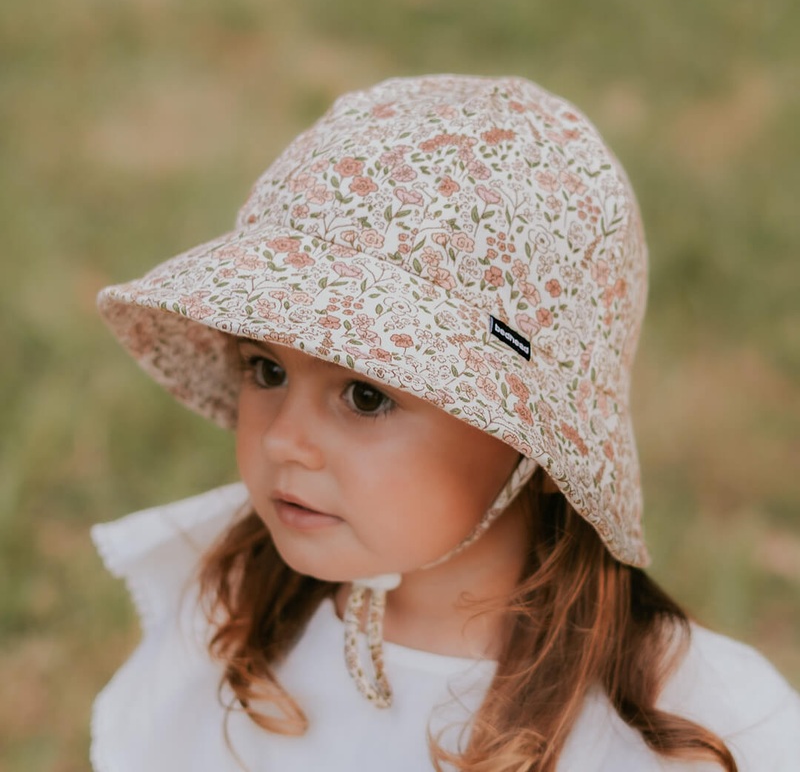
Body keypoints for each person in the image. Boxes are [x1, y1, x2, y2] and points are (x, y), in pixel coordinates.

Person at [91, 75, 800, 771]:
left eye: (365, 396)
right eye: (266, 370)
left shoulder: (689, 725)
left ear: (538, 448)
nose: (282, 440)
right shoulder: (233, 615)